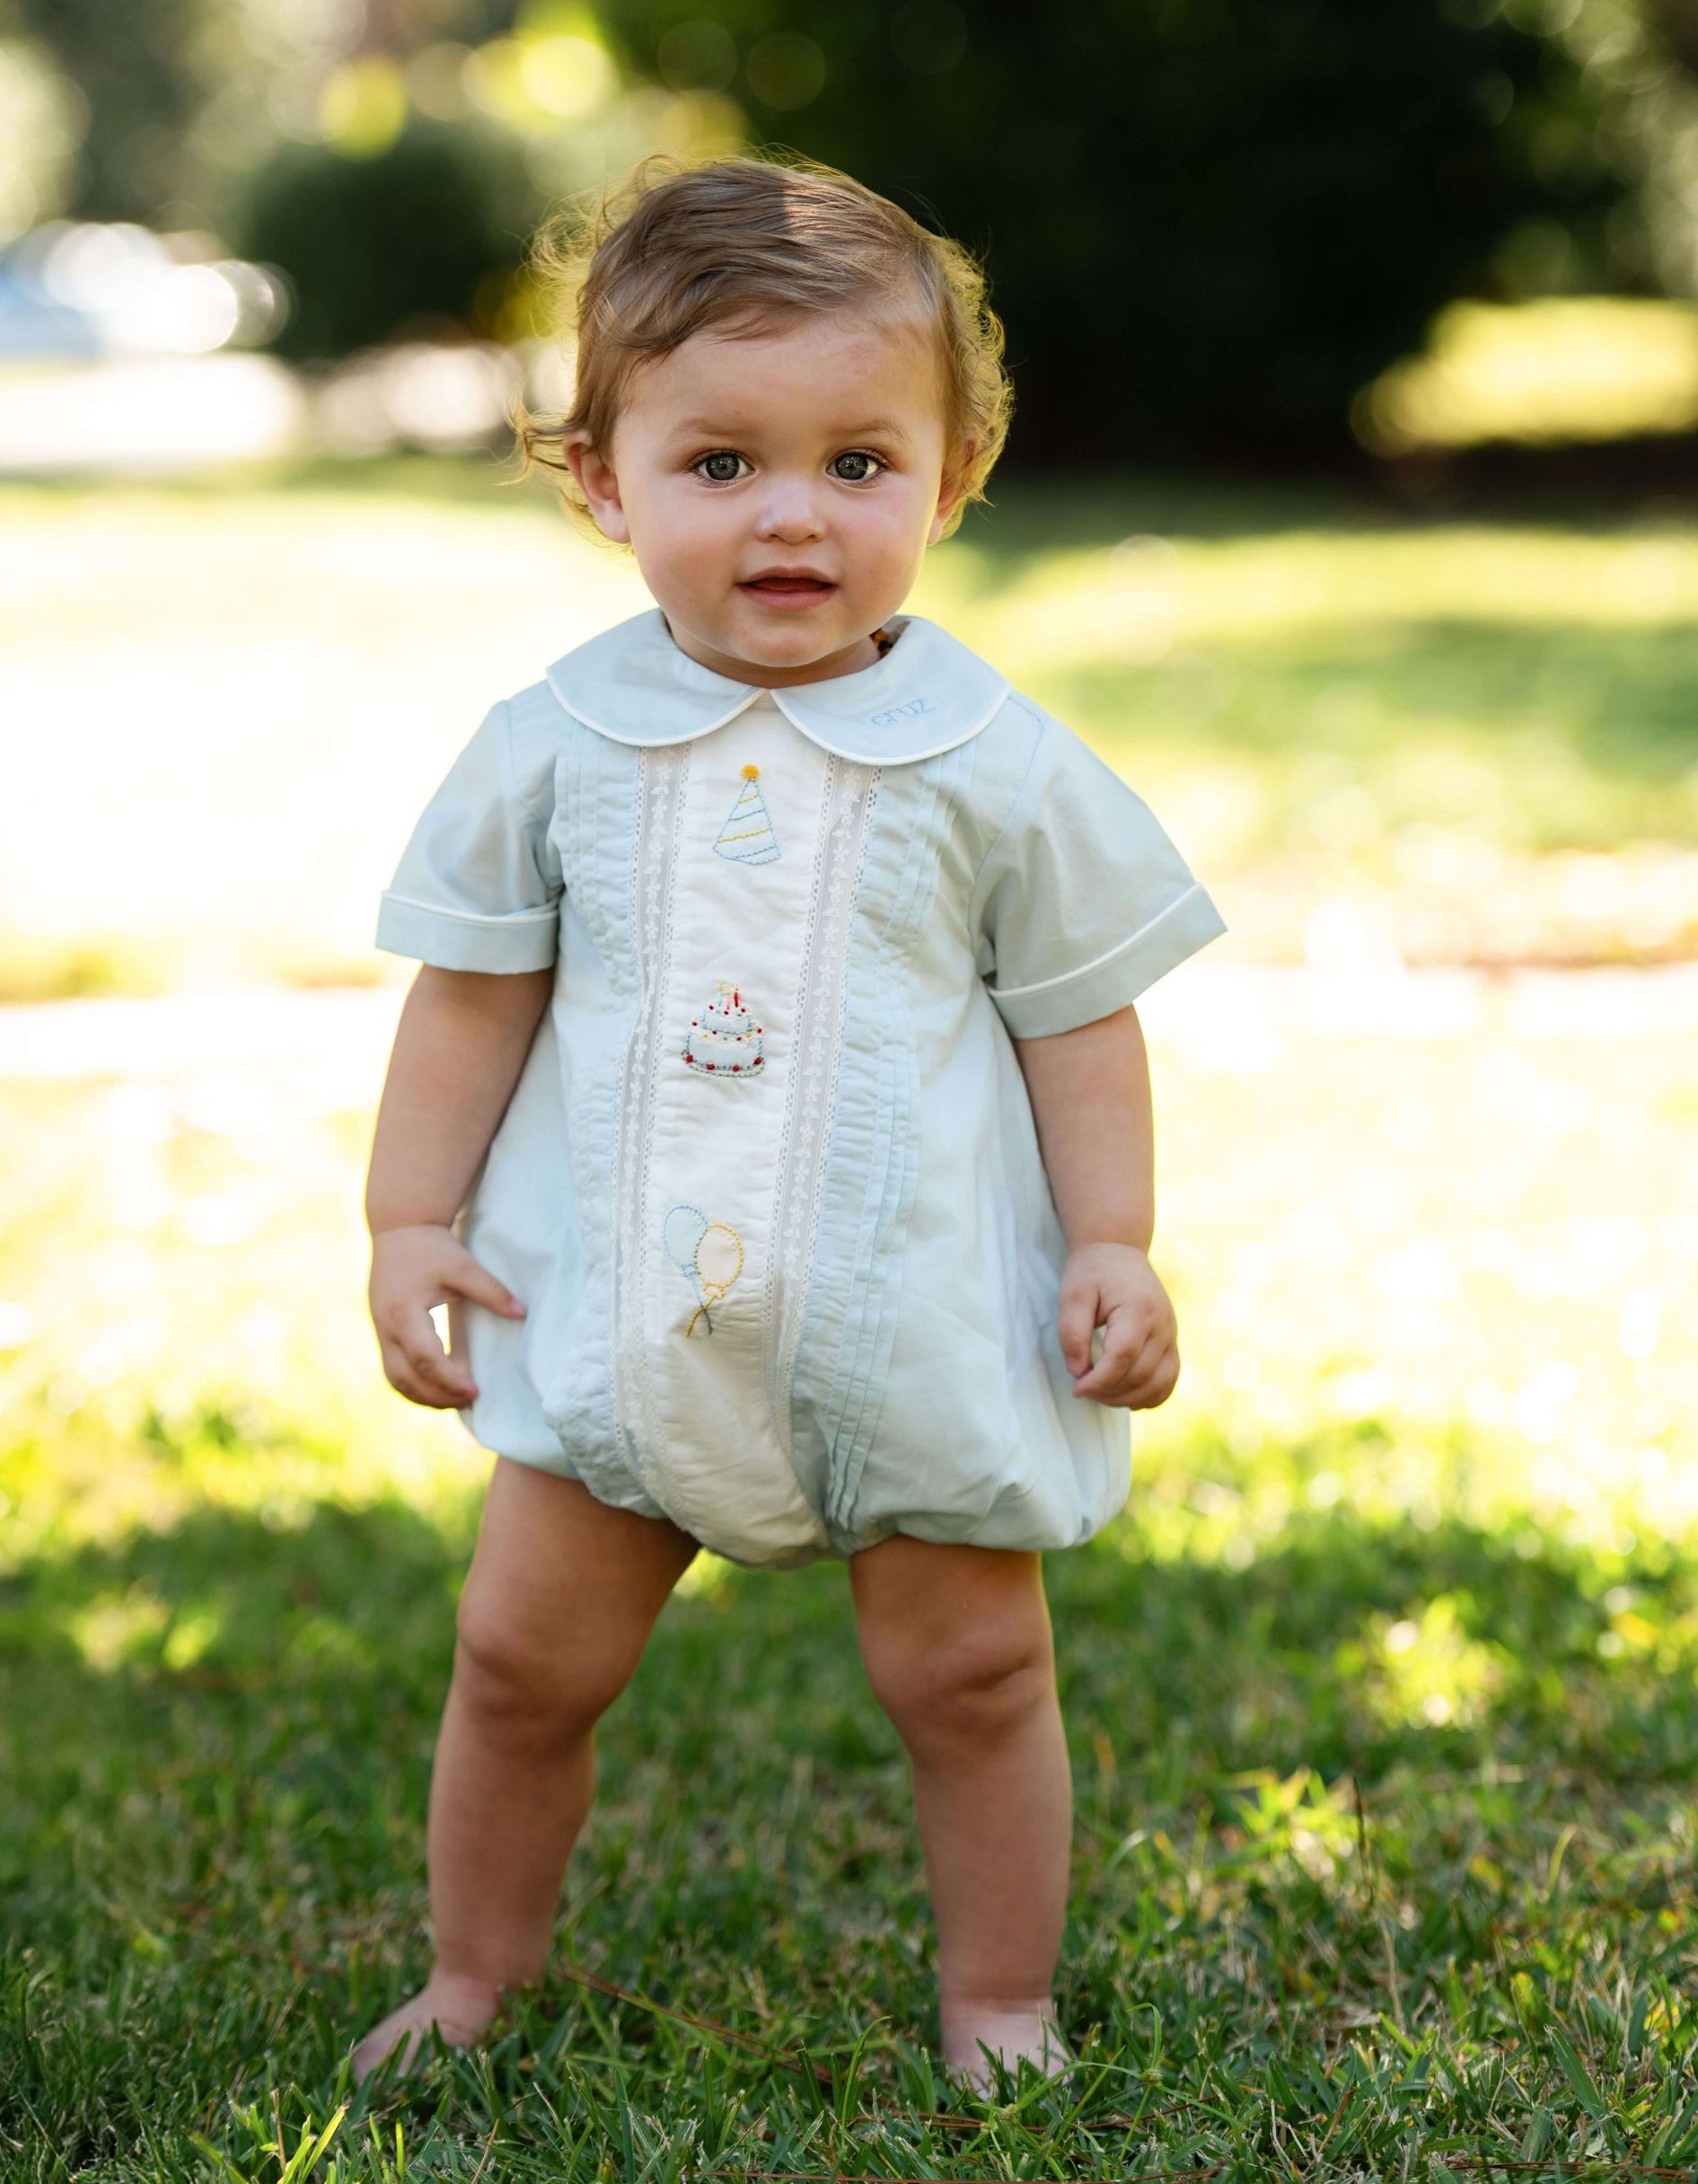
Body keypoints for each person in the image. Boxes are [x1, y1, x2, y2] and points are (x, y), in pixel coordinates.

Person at [354, 155, 1223, 2087]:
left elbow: (1079, 1018)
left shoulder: (993, 761)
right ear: (602, 479)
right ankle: (472, 1979)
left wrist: (1112, 1239)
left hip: (910, 1322)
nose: (792, 515)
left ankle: (999, 2000)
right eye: (720, 462)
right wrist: (408, 1220)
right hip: (613, 1320)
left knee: (972, 1672)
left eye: (857, 462)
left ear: (951, 474)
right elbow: (472, 995)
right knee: (518, 1661)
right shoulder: (552, 743)